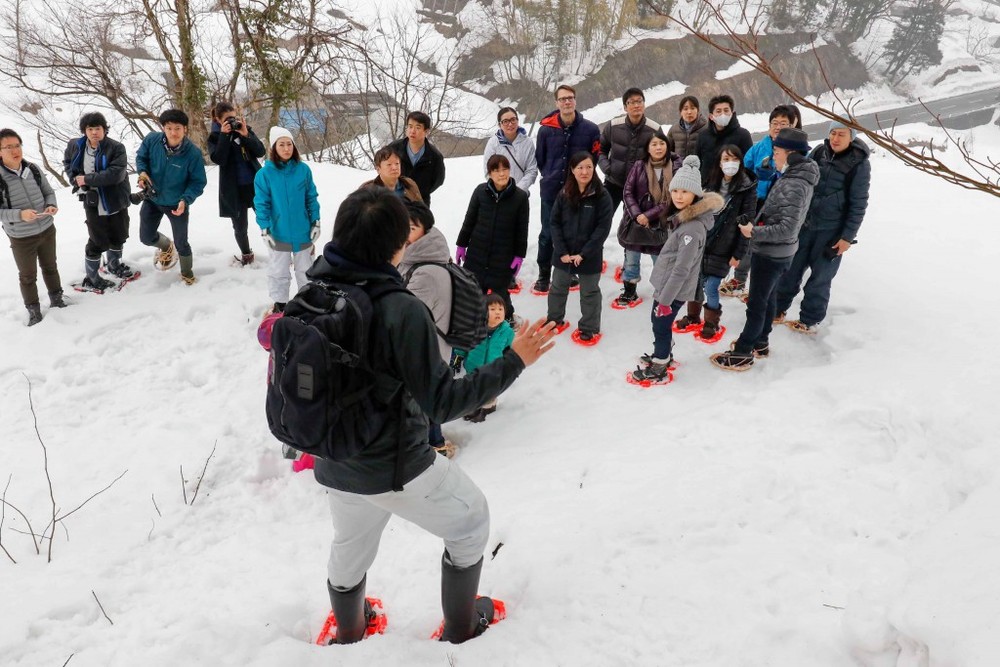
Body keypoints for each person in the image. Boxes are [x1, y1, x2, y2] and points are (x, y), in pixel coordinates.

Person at [307, 186, 556, 645]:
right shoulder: (400, 308)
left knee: (350, 542)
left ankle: (349, 629)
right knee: (471, 521)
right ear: (396, 246)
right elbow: (441, 402)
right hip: (394, 463)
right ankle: (461, 628)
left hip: (334, 456)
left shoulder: (315, 290)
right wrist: (515, 359)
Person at [711, 128, 819, 371]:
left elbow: (787, 228)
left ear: (791, 154)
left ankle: (743, 351)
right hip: (778, 253)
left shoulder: (795, 184)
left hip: (772, 253)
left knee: (757, 304)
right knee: (768, 298)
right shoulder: (794, 177)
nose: (774, 156)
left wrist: (754, 232)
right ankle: (761, 341)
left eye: (778, 151)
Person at [631, 156, 723, 384]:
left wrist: (665, 301)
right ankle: (663, 353)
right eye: (676, 191)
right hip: (668, 286)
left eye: (685, 192)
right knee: (659, 324)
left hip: (673, 290)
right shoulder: (684, 219)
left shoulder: (692, 228)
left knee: (660, 323)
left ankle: (660, 364)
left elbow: (682, 269)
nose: (679, 196)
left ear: (695, 195)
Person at [775, 121, 871, 333]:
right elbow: (801, 179)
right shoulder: (819, 152)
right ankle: (777, 308)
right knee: (789, 270)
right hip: (805, 225)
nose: (835, 139)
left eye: (841, 135)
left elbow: (859, 203)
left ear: (851, 137)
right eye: (833, 133)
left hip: (832, 232)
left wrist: (847, 237)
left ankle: (809, 320)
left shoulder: (859, 164)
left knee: (820, 278)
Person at [716, 105, 794, 298]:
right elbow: (744, 170)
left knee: (772, 245)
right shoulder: (759, 147)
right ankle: (740, 279)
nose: (778, 127)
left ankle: (766, 287)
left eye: (783, 124)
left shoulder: (796, 151)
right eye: (774, 123)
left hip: (782, 206)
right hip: (757, 202)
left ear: (792, 125)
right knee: (749, 239)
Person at [398, 199, 456, 457]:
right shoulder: (422, 256)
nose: (404, 234)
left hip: (429, 350)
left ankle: (434, 448)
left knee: (424, 402)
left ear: (426, 230)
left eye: (411, 228)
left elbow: (403, 317)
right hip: (432, 348)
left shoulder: (426, 272)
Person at [683, 145, 757, 341]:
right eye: (725, 159)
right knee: (695, 283)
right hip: (703, 243)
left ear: (740, 162)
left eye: (734, 159)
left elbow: (746, 224)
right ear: (719, 162)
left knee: (711, 287)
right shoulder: (709, 182)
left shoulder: (746, 188)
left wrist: (738, 254)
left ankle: (711, 321)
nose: (729, 164)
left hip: (725, 247)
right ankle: (692, 316)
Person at [533, 84, 601, 294]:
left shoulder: (590, 129)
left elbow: (594, 157)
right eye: (562, 99)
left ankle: (570, 270)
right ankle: (544, 273)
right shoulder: (546, 130)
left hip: (578, 191)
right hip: (551, 190)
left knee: (574, 233)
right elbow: (541, 159)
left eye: (570, 98)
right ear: (556, 103)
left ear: (575, 100)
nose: (567, 102)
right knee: (547, 233)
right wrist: (552, 175)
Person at [1, 128, 67, 326]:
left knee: (50, 267)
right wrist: (20, 215)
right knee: (28, 276)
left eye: (17, 145)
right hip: (21, 237)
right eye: (8, 147)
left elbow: (48, 192)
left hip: (46, 228)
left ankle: (57, 299)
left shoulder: (34, 169)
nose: (15, 150)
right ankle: (34, 311)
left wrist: (51, 205)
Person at [135, 108, 208, 285]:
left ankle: (187, 273)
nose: (173, 133)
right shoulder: (152, 140)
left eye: (177, 128)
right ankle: (166, 246)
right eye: (169, 128)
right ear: (163, 128)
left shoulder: (193, 154)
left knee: (182, 242)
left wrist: (185, 199)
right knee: (146, 237)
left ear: (185, 129)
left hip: (177, 203)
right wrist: (143, 173)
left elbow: (198, 182)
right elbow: (141, 158)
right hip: (152, 199)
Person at [62, 111, 133, 292]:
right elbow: (68, 163)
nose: (94, 132)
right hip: (92, 201)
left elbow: (115, 174)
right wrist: (75, 179)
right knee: (98, 240)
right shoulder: (75, 145)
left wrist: (87, 179)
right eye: (90, 128)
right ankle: (92, 277)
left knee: (119, 234)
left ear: (104, 129)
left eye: (98, 128)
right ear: (84, 131)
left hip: (116, 198)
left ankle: (114, 265)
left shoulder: (116, 148)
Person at [546, 152, 613, 341]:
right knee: (558, 287)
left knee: (590, 291)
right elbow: (554, 223)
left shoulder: (602, 195)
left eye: (589, 167)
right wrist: (562, 251)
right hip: (564, 254)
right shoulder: (564, 193)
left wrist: (584, 253)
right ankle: (554, 319)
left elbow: (602, 228)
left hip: (589, 254)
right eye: (580, 167)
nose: (584, 171)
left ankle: (589, 327)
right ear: (573, 170)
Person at [456, 154, 529, 323]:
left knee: (500, 293)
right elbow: (469, 220)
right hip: (477, 252)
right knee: (473, 291)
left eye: (505, 169)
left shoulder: (519, 197)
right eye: (496, 170)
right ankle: (473, 322)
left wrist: (519, 255)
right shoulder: (480, 191)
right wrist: (461, 244)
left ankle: (507, 319)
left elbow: (522, 229)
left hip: (502, 255)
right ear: (489, 173)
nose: (501, 174)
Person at [254, 127, 320, 314]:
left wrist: (316, 221)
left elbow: (311, 197)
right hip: (278, 232)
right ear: (274, 148)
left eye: (289, 144)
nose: (286, 148)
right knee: (279, 271)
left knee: (306, 270)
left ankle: (307, 300)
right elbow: (262, 203)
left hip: (302, 230)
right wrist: (265, 228)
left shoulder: (303, 170)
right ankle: (280, 303)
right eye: (281, 144)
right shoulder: (264, 175)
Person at [614, 127, 682, 307]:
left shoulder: (676, 167)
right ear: (648, 148)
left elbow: (672, 199)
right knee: (631, 258)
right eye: (654, 144)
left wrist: (648, 215)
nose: (658, 147)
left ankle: (663, 290)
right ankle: (629, 290)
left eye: (661, 143)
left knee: (661, 260)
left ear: (667, 146)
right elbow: (628, 192)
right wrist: (637, 215)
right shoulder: (639, 166)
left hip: (662, 223)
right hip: (637, 222)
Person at [208, 101, 266, 266]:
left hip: (255, 186)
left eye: (233, 117)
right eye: (227, 119)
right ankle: (246, 254)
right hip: (233, 189)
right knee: (240, 227)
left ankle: (278, 249)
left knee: (267, 219)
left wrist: (246, 135)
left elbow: (260, 151)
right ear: (219, 121)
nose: (232, 122)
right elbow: (219, 159)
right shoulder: (214, 138)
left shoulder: (244, 130)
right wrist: (225, 136)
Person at [598, 87, 662, 217]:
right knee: (601, 218)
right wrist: (607, 168)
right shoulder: (613, 126)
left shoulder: (654, 129)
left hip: (639, 187)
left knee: (633, 225)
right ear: (625, 107)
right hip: (614, 182)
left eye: (640, 101)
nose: (636, 105)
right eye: (631, 102)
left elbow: (662, 156)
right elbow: (600, 149)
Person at [455, 294, 515, 423]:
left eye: (500, 309)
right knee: (473, 389)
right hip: (473, 366)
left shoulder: (507, 332)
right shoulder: (474, 329)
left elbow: (509, 350)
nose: (497, 312)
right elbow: (462, 345)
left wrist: (507, 364)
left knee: (489, 392)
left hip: (494, 369)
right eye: (492, 309)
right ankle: (473, 408)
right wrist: (457, 358)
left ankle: (488, 410)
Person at [694, 94, 753, 184]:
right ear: (711, 116)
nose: (723, 114)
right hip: (708, 188)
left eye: (726, 110)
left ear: (732, 113)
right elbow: (697, 163)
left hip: (735, 187)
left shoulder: (743, 135)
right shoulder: (703, 136)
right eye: (718, 111)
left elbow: (749, 164)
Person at [389, 111, 445, 204]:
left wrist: (421, 192)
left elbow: (438, 180)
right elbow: (384, 168)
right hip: (395, 201)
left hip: (420, 202)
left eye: (418, 127)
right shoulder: (395, 148)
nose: (412, 131)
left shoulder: (434, 156)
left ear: (426, 131)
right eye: (410, 126)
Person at [482, 107, 537, 192]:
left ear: (517, 121)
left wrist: (517, 190)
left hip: (521, 194)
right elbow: (488, 170)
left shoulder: (527, 142)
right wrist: (502, 190)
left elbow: (532, 170)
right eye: (505, 121)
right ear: (500, 124)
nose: (510, 124)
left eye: (513, 119)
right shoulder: (493, 143)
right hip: (499, 194)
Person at [667, 95, 707, 160]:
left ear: (698, 110)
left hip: (700, 168)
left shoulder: (706, 128)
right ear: (681, 112)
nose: (689, 112)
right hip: (679, 168)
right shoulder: (674, 130)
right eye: (685, 109)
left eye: (692, 108)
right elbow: (667, 151)